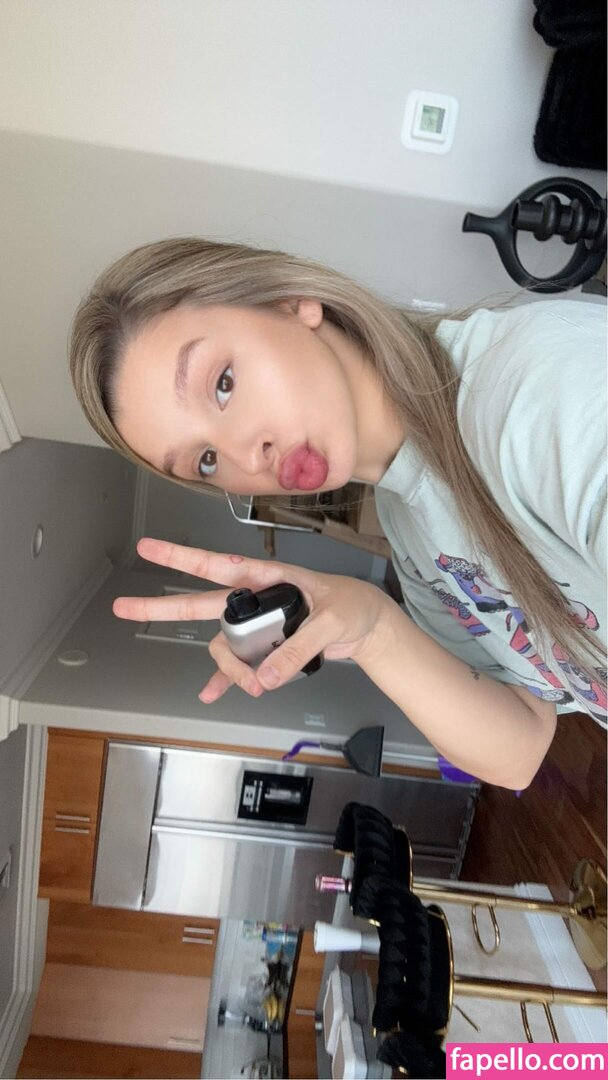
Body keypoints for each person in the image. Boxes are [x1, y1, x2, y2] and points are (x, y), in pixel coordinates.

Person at [69, 237, 607, 789]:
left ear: (290, 301)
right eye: (206, 460)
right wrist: (374, 629)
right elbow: (520, 747)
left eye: (223, 384)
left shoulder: (534, 389)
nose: (245, 457)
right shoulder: (411, 527)